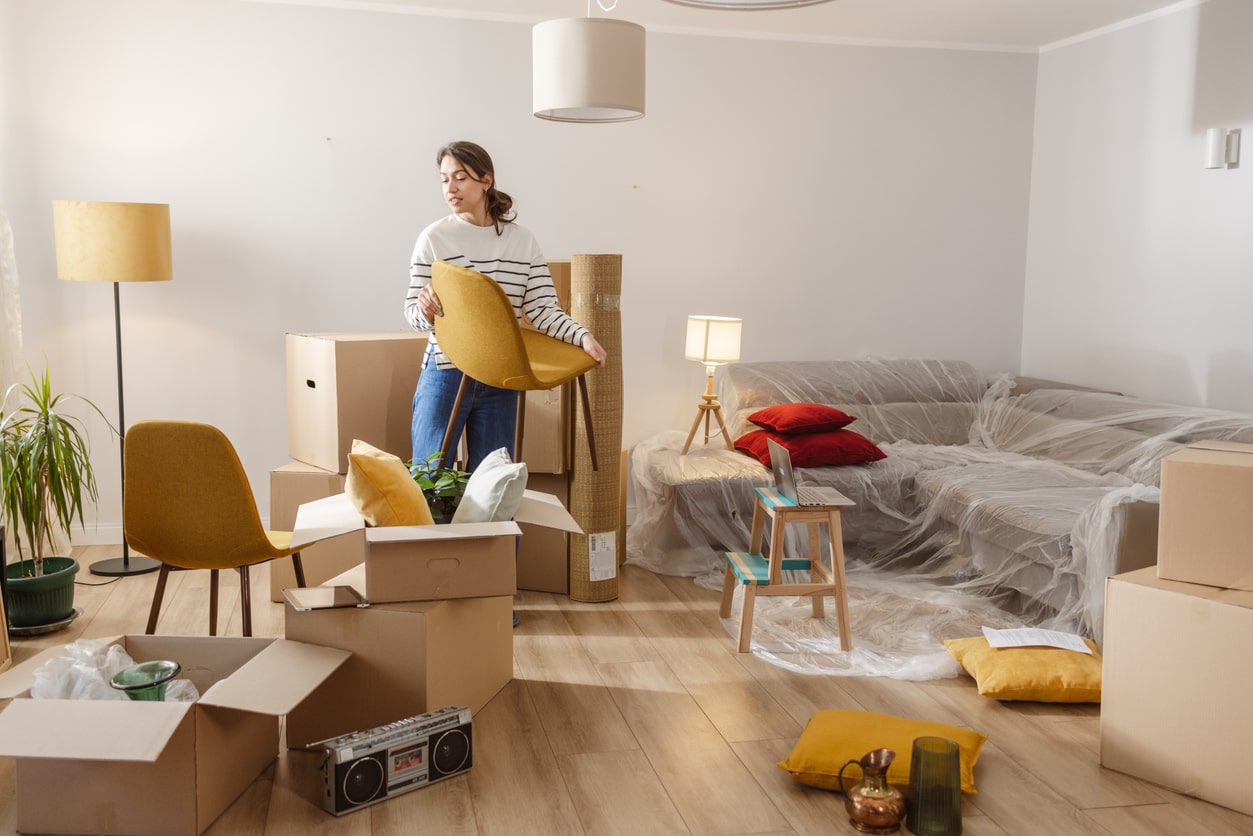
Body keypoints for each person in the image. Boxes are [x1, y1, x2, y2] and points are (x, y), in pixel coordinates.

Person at [405, 140, 607, 473]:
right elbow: (413, 314)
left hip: (502, 376)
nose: (450, 188)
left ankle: (497, 530)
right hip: (445, 373)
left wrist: (582, 337)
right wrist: (425, 309)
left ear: (486, 180)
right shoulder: (433, 239)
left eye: (460, 177)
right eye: (444, 179)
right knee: (428, 478)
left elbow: (542, 309)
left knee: (493, 485)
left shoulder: (521, 241)